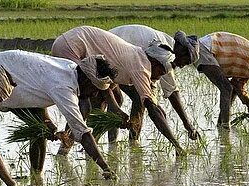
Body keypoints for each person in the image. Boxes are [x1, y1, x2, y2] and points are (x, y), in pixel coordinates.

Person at [0, 50, 117, 177]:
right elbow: (83, 133)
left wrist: (49, 125)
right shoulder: (63, 87)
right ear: (87, 80)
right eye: (95, 89)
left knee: (40, 130)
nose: (95, 94)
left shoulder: (70, 68)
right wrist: (106, 168)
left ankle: (36, 177)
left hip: (4, 69)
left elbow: (36, 86)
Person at [51, 25, 185, 156]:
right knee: (84, 102)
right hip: (71, 46)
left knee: (115, 98)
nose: (157, 77)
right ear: (155, 63)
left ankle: (93, 146)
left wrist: (116, 108)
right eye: (160, 73)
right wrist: (176, 145)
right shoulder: (141, 67)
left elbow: (105, 82)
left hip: (73, 39)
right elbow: (151, 110)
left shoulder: (137, 56)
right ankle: (66, 150)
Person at [109, 25, 202, 141]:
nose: (182, 66)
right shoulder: (165, 53)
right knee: (140, 98)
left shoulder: (165, 42)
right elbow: (172, 92)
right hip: (111, 54)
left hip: (116, 53)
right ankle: (132, 141)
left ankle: (113, 144)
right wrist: (188, 125)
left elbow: (153, 82)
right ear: (181, 50)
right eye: (185, 61)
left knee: (117, 99)